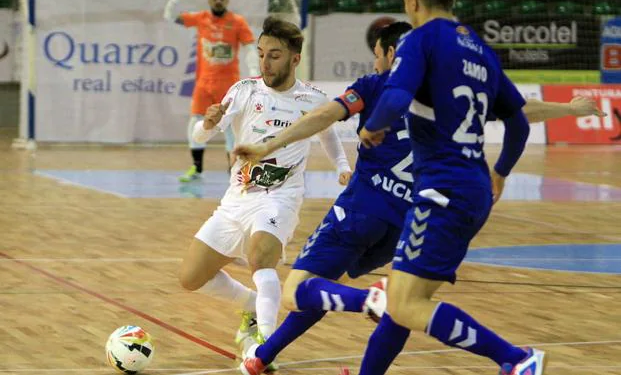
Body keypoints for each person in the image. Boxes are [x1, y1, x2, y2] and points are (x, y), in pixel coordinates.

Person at [234, 19, 600, 375]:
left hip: (361, 208)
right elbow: (518, 112)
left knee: (299, 290)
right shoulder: (444, 96)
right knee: (401, 306)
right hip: (405, 220)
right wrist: (570, 110)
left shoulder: (378, 86)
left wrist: (270, 144)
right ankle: (263, 356)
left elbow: (325, 114)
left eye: (378, 54)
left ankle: (369, 304)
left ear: (393, 53)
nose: (375, 63)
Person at [177, 16, 352, 366]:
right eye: (260, 54)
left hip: (280, 197)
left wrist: (343, 167)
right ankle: (251, 305)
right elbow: (201, 136)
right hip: (236, 199)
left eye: (274, 55)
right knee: (191, 277)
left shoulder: (312, 99)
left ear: (294, 59)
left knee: (261, 258)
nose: (264, 62)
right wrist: (206, 124)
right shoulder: (243, 91)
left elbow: (328, 133)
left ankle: (263, 347)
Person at [164, 0, 259, 181]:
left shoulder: (237, 22)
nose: (218, 1)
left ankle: (233, 169)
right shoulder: (201, 18)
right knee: (196, 124)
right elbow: (170, 16)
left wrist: (254, 74)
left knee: (232, 128)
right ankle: (196, 169)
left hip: (229, 86)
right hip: (204, 84)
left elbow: (250, 47)